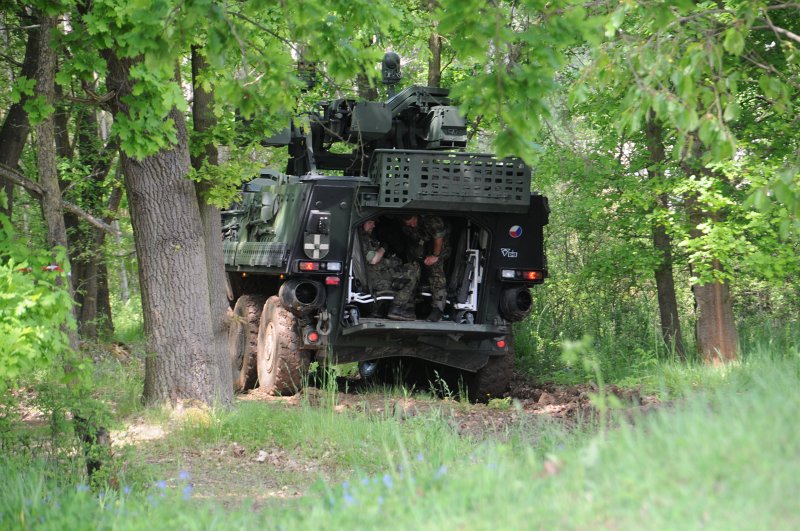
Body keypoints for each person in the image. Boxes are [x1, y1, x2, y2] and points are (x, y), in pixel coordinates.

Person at [359, 219, 419, 321]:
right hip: (375, 279)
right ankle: (397, 307)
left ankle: (379, 309)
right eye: (370, 222)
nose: (373, 226)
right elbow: (373, 260)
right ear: (361, 223)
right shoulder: (363, 239)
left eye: (374, 223)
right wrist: (384, 248)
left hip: (373, 276)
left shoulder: (365, 237)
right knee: (412, 272)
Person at [400, 214, 449, 322]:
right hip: (419, 249)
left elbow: (438, 238)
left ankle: (438, 309)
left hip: (437, 249)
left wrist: (435, 256)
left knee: (436, 273)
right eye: (408, 224)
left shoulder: (432, 221)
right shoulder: (406, 226)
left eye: (413, 222)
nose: (412, 225)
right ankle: (409, 307)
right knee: (412, 271)